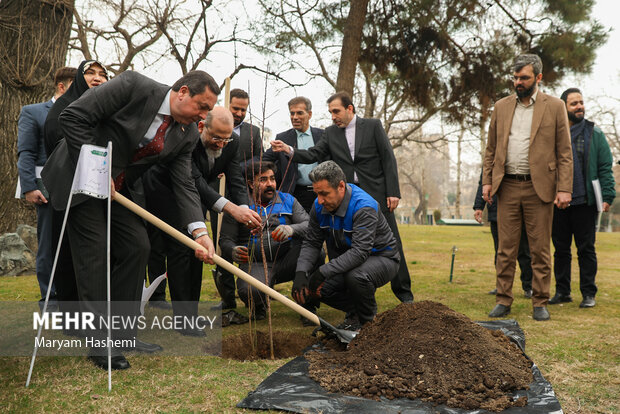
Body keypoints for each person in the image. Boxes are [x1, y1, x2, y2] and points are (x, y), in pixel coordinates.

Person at [41, 70, 219, 370]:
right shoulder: (133, 86)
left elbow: (184, 183)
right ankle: (99, 342)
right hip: (80, 177)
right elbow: (73, 117)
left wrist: (199, 231)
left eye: (207, 111)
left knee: (137, 247)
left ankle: (122, 336)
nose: (203, 116)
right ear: (183, 92)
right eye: (201, 106)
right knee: (94, 252)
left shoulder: (186, 134)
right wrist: (98, 167)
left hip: (121, 189)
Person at [270, 91, 413, 304]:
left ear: (350, 109)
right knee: (343, 246)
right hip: (344, 198)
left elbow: (387, 158)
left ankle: (404, 295)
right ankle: (352, 293)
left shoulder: (372, 126)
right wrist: (289, 150)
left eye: (336, 111)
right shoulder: (330, 133)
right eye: (330, 113)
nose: (333, 116)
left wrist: (393, 192)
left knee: (392, 243)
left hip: (376, 195)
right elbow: (313, 154)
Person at [142, 107, 261, 334]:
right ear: (201, 127)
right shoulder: (187, 141)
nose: (220, 144)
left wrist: (244, 209)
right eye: (215, 137)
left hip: (195, 198)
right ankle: (182, 322)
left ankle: (191, 315)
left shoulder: (231, 143)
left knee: (198, 252)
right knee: (181, 250)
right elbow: (195, 181)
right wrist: (232, 209)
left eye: (225, 139)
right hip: (165, 193)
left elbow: (235, 177)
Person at [482, 54, 573, 321]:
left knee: (540, 249)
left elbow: (564, 152)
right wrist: (487, 181)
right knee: (506, 248)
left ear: (539, 78)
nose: (518, 82)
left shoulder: (555, 107)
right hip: (507, 186)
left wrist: (564, 188)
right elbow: (491, 149)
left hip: (539, 188)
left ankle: (540, 301)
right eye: (515, 77)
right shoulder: (501, 106)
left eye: (524, 78)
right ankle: (503, 299)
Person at [292, 161, 400, 330]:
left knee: (356, 277)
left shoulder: (364, 207)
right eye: (316, 194)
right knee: (320, 289)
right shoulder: (319, 206)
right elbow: (312, 242)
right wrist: (301, 273)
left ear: (341, 186)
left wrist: (322, 272)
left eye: (324, 194)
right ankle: (355, 313)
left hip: (383, 258)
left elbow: (360, 252)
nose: (319, 201)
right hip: (348, 263)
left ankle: (368, 325)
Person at [43, 60, 109, 318]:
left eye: (103, 74)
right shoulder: (64, 108)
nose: (97, 78)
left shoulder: (106, 109)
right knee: (69, 256)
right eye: (90, 73)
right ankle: (72, 315)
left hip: (99, 193)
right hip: (69, 191)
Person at [220, 161, 322, 323]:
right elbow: (225, 240)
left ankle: (307, 306)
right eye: (263, 180)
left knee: (316, 252)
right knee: (249, 291)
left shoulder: (287, 199)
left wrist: (291, 229)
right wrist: (233, 250)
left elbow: (309, 225)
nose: (270, 184)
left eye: (272, 179)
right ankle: (258, 306)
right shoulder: (239, 207)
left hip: (287, 259)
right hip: (256, 263)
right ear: (250, 184)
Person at [549, 88, 616, 308]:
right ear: (563, 108)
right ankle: (562, 292)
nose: (580, 107)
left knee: (586, 249)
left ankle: (589, 294)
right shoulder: (553, 133)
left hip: (585, 201)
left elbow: (605, 166)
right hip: (558, 202)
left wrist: (607, 194)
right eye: (573, 103)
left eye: (581, 102)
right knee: (560, 250)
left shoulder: (594, 133)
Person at [17, 66, 76, 311]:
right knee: (49, 244)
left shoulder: (84, 113)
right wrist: (29, 187)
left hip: (76, 188)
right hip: (45, 187)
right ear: (61, 87)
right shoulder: (33, 112)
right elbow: (26, 152)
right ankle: (49, 298)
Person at [473, 171, 533, 298]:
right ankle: (502, 286)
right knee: (500, 252)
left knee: (523, 251)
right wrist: (478, 206)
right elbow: (484, 181)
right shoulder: (492, 158)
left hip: (519, 209)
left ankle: (529, 286)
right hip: (496, 210)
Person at [260, 97, 323, 212]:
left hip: (321, 193)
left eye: (299, 113)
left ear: (309, 114)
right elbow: (263, 161)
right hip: (293, 195)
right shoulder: (283, 138)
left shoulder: (322, 136)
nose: (295, 117)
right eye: (292, 113)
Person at [229, 88, 263, 166]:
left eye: (243, 110)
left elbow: (259, 157)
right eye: (236, 109)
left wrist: (238, 169)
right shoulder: (212, 126)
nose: (239, 114)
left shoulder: (254, 132)